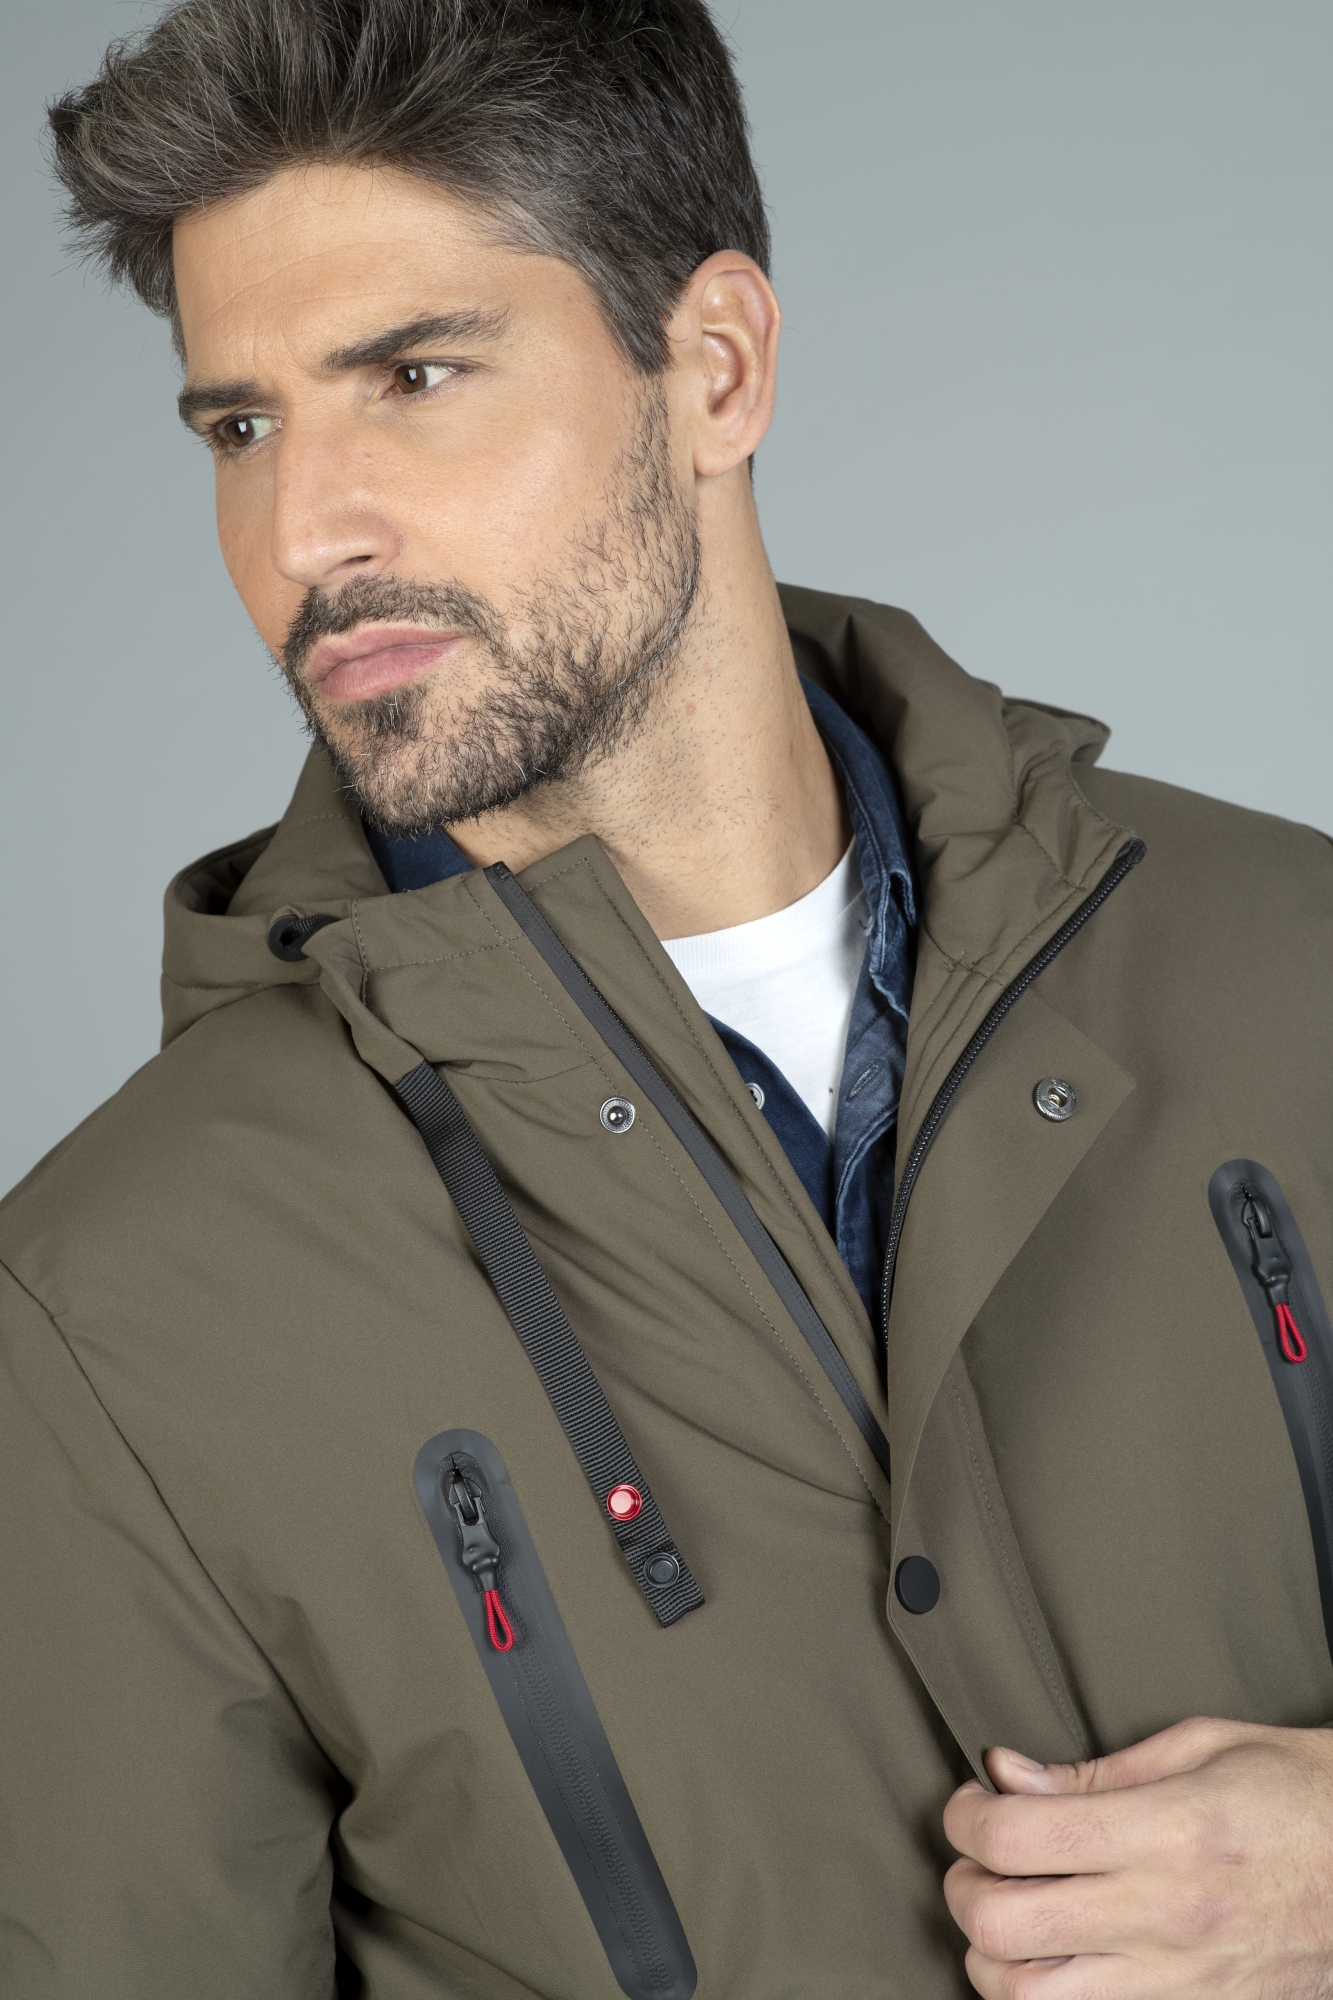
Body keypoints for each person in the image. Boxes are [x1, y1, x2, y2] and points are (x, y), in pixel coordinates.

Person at [3, 1, 1332, 1994]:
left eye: (414, 376)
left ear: (713, 365)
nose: (300, 532)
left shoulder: (1291, 958)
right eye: (240, 427)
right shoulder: (111, 1304)